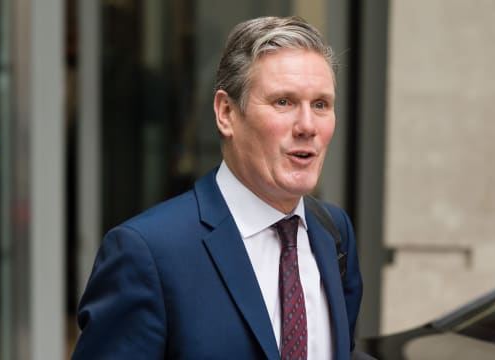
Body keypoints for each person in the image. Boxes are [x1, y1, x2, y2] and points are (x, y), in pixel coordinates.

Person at [72, 16, 363, 360]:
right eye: (283, 102)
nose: (307, 126)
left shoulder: (333, 231)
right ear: (226, 113)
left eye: (320, 105)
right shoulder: (146, 253)